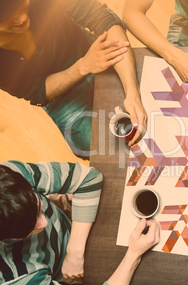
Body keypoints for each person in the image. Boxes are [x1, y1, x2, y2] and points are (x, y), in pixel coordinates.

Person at [0, 0, 147, 158]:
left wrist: (132, 91)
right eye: (7, 17)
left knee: (147, 98)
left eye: (22, 6)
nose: (21, 18)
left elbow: (104, 20)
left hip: (94, 52)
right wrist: (83, 66)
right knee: (95, 144)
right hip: (62, 97)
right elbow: (37, 90)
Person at [0, 160, 160, 284]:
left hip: (75, 235)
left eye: (38, 206)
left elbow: (89, 178)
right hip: (72, 275)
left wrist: (74, 251)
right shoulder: (15, 278)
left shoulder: (11, 176)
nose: (44, 223)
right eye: (29, 228)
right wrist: (134, 254)